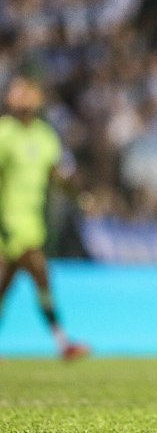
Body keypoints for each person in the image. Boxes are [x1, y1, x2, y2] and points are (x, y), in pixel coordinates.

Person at [0, 77, 90, 361]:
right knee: (39, 272)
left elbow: (55, 174)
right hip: (9, 220)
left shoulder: (45, 135)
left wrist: (78, 193)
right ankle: (63, 341)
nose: (22, 98)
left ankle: (63, 341)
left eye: (27, 93)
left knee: (6, 283)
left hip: (34, 220)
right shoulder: (5, 134)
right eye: (17, 93)